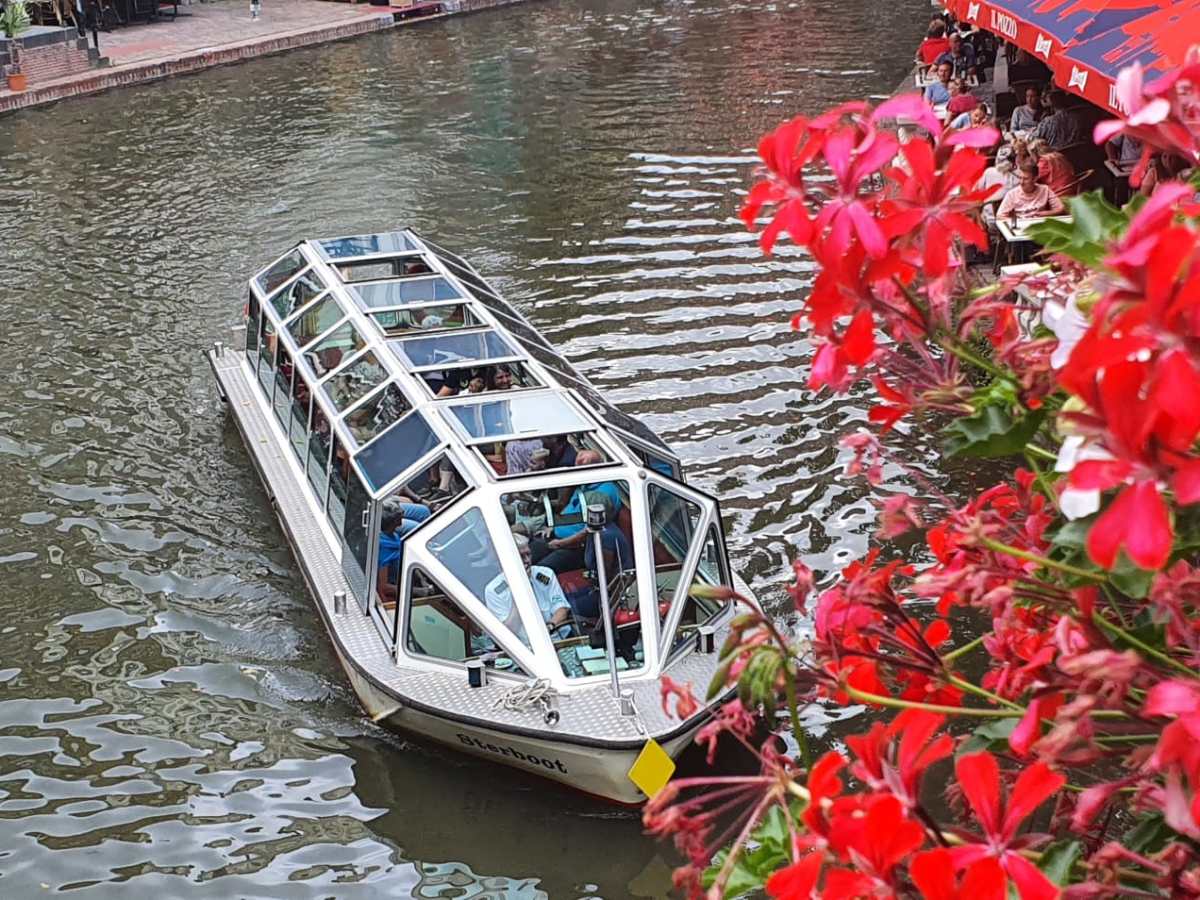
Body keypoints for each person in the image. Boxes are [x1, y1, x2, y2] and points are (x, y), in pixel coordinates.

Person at [531, 451, 621, 572]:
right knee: (524, 556)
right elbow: (574, 514)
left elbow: (589, 532)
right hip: (555, 537)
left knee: (540, 572)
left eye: (580, 470)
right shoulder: (586, 484)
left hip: (574, 548)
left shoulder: (599, 497)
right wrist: (554, 526)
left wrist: (560, 543)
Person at [480, 534, 572, 648]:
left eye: (528, 554)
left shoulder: (545, 574)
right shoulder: (494, 590)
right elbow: (507, 632)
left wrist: (549, 627)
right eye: (521, 557)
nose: (527, 561)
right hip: (524, 649)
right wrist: (520, 590)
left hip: (557, 640)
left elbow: (561, 609)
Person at [996, 162, 1067, 221]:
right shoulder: (1012, 194)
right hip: (1021, 226)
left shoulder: (1045, 189)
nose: (1021, 182)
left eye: (1026, 179)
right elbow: (1000, 216)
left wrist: (1043, 214)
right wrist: (1017, 221)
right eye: (1020, 178)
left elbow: (1061, 209)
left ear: (1035, 179)